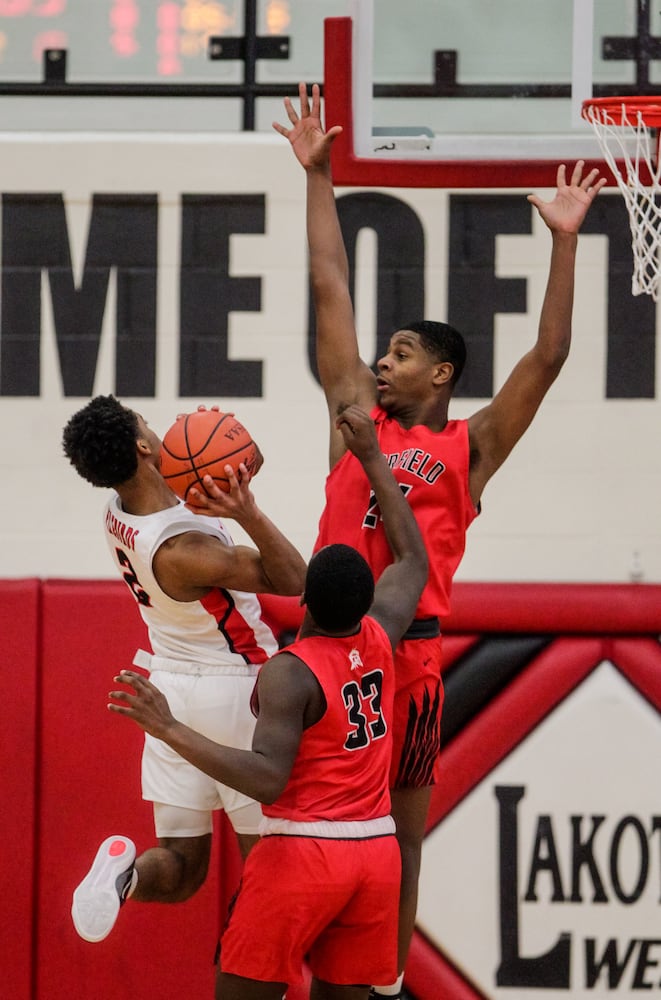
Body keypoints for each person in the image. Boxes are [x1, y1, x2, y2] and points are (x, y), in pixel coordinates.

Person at [272, 82, 607, 998]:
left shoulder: (471, 447)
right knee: (292, 810)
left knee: (402, 830)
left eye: (400, 351)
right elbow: (326, 283)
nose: (381, 360)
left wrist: (565, 242)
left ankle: (380, 978)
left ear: (441, 372)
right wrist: (319, 177)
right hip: (325, 648)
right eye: (380, 349)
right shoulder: (352, 414)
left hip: (410, 657)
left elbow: (548, 359)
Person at [108, 403, 428, 1000]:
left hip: (305, 855)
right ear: (370, 601)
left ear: (307, 608)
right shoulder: (383, 638)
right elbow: (412, 558)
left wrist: (168, 727)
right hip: (376, 853)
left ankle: (134, 880)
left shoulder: (289, 673)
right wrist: (374, 461)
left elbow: (268, 779)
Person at [62, 394, 307, 943]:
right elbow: (295, 579)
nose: (158, 426)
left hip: (168, 687)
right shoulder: (184, 547)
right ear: (144, 447)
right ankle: (256, 974)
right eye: (147, 424)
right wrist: (248, 512)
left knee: (182, 866)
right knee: (268, 866)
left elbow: (212, 468)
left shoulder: (119, 510)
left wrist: (211, 437)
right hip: (235, 693)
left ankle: (125, 878)